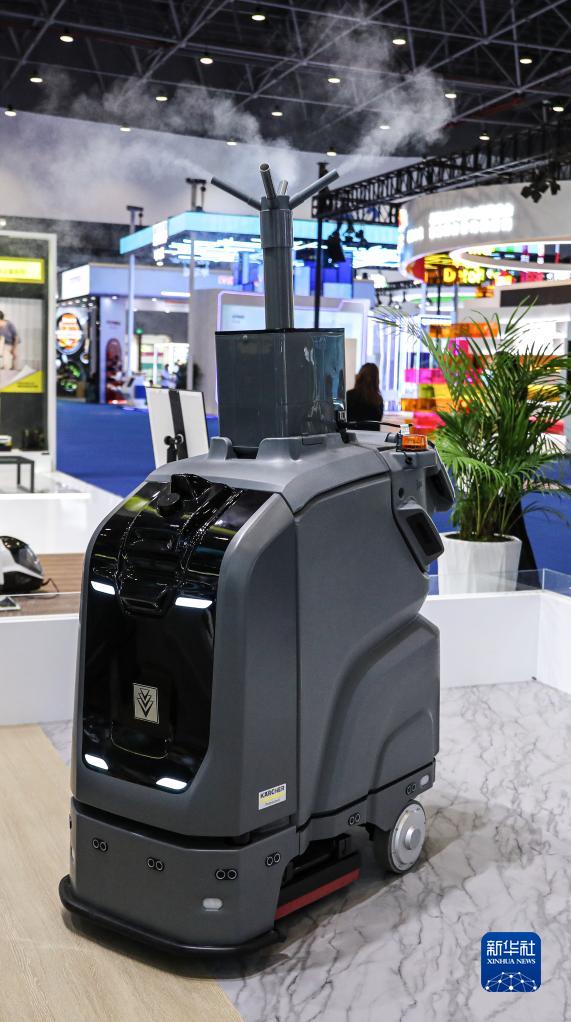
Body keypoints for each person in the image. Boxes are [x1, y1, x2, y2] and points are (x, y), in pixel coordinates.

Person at [346, 362, 384, 430]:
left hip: (353, 436)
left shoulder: (349, 396)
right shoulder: (378, 401)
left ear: (360, 377)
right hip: (372, 436)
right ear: (376, 379)